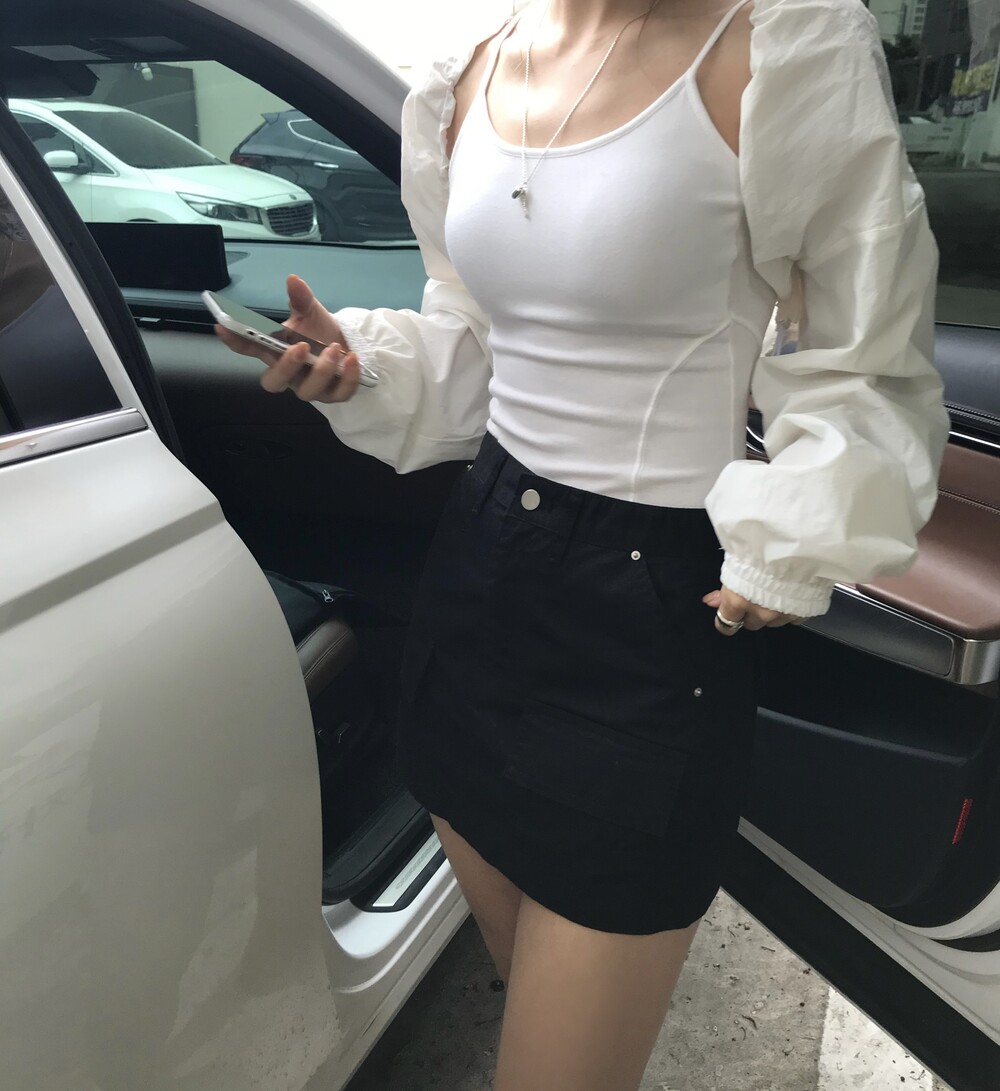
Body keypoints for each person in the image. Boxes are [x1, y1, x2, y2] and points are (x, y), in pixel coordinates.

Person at [216, 0, 950, 1086]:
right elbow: (477, 335)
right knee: (530, 1002)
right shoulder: (466, 71)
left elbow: (864, 348)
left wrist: (789, 544)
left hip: (648, 613)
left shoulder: (779, 42)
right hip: (476, 575)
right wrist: (363, 366)